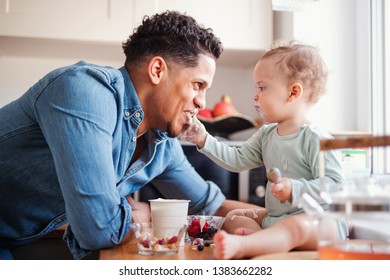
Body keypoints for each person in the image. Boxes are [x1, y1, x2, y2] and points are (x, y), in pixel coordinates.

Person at [0, 11, 258, 260]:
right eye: (197, 85)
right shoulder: (84, 92)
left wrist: (285, 221)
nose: (202, 102)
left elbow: (208, 205)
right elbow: (99, 229)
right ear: (157, 70)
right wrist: (148, 214)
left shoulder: (161, 144)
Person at [181, 41, 348, 259]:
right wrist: (204, 139)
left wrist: (295, 188)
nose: (255, 95)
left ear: (293, 92)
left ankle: (248, 244)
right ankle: (263, 240)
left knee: (293, 227)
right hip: (278, 219)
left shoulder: (317, 139)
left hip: (319, 223)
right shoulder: (266, 134)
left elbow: (335, 186)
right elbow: (237, 159)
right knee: (233, 216)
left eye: (262, 87)